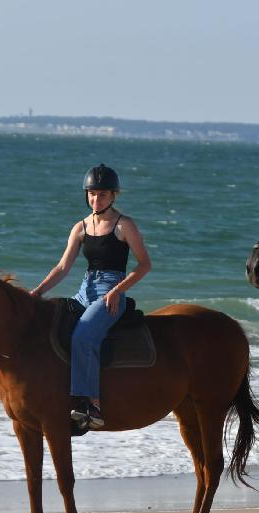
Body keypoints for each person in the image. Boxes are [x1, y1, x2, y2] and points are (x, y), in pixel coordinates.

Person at [31, 164, 151, 429]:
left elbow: (144, 265)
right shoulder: (81, 227)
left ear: (114, 195)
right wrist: (38, 292)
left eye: (103, 195)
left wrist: (117, 292)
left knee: (84, 335)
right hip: (84, 291)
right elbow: (63, 267)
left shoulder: (124, 225)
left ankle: (92, 407)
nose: (96, 200)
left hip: (111, 292)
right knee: (54, 323)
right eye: (92, 194)